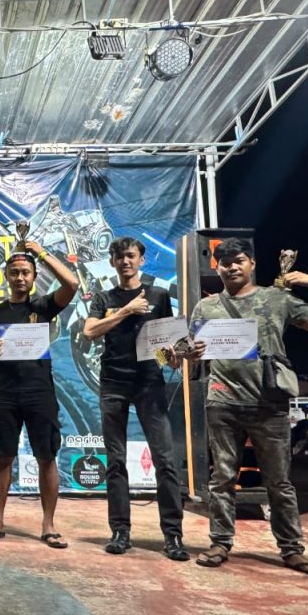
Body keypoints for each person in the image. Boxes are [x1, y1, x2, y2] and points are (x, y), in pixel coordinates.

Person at [188, 237, 308, 577]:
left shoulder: (276, 298)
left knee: (279, 483)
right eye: (224, 262)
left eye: (238, 260)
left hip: (269, 404)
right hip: (222, 402)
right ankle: (220, 543)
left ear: (252, 263)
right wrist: (187, 353)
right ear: (217, 268)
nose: (231, 267)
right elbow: (189, 353)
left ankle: (291, 549)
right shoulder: (205, 308)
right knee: (222, 479)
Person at [82, 237, 194, 561]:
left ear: (141, 260)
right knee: (116, 462)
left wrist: (173, 356)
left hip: (149, 384)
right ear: (112, 262)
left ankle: (173, 536)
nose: (125, 261)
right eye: (119, 257)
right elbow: (90, 331)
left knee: (165, 462)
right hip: (113, 383)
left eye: (131, 256)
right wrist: (127, 310)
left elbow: (166, 349)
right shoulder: (103, 298)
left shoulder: (158, 296)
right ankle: (120, 532)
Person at [0, 240, 79, 545]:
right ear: (7, 277)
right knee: (3, 457)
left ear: (34, 277)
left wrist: (42, 254)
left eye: (25, 272)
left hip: (40, 393)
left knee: (46, 457)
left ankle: (48, 525)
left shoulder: (43, 307)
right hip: (7, 394)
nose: (20, 277)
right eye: (14, 273)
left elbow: (72, 284)